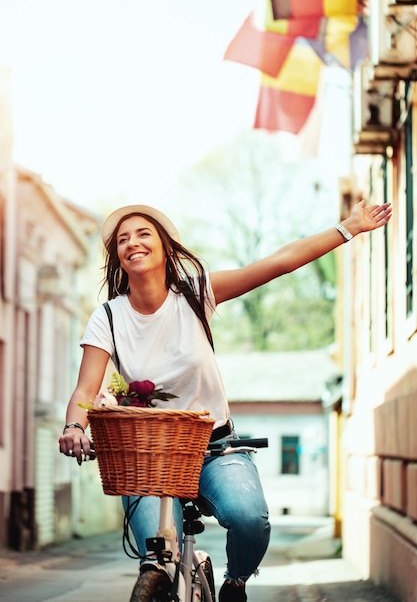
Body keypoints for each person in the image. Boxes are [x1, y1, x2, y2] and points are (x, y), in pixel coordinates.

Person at [59, 199, 392, 602]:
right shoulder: (109, 317)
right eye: (122, 241)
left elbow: (277, 263)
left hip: (215, 446)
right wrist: (75, 425)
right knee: (155, 553)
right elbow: (85, 390)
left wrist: (349, 227)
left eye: (143, 234)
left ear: (166, 247)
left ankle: (234, 583)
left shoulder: (196, 295)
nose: (132, 243)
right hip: (151, 454)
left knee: (249, 519)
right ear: (118, 259)